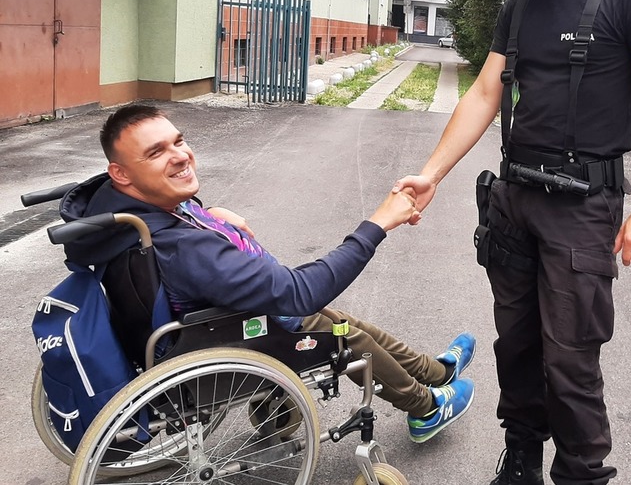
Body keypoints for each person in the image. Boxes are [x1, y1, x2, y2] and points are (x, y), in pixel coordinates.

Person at [394, 0, 631, 485]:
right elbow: (482, 93)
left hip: (583, 209)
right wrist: (432, 174)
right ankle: (522, 452)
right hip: (514, 199)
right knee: (517, 344)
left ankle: (582, 472)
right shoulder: (521, 3)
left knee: (571, 358)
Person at [59, 103, 476, 444]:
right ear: (121, 173)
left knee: (346, 323)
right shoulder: (184, 249)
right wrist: (378, 223)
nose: (181, 155)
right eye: (156, 152)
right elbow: (300, 294)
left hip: (200, 322)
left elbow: (176, 212)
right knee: (347, 336)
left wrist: (205, 213)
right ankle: (426, 407)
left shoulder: (125, 216)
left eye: (179, 141)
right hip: (239, 330)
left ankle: (434, 371)